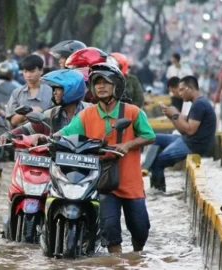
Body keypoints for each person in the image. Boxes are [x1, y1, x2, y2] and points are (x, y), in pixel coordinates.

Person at [30, 62, 156, 253]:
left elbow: (149, 136)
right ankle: (117, 264)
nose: (101, 86)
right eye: (97, 82)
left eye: (106, 82)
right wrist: (46, 138)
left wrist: (127, 145)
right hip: (103, 183)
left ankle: (137, 259)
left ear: (116, 86)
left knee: (140, 230)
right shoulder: (86, 114)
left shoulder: (133, 112)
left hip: (131, 182)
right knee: (110, 229)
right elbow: (66, 133)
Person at [150, 76, 216, 192]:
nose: (179, 93)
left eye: (181, 89)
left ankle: (158, 193)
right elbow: (184, 122)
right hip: (186, 140)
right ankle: (145, 166)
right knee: (154, 138)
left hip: (193, 145)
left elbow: (189, 130)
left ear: (190, 88)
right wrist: (171, 115)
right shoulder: (197, 103)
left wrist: (174, 115)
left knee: (157, 162)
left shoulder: (199, 105)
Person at [0, 69, 90, 144]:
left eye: (58, 89)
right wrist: (8, 135)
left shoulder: (90, 111)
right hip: (57, 163)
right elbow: (26, 129)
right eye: (54, 89)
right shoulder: (52, 113)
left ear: (72, 89)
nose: (54, 92)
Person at [5, 55, 53, 128]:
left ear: (41, 71)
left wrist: (42, 114)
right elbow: (13, 121)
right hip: (22, 136)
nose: (28, 75)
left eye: (32, 71)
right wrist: (28, 113)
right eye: (25, 71)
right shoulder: (17, 93)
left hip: (46, 136)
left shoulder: (51, 91)